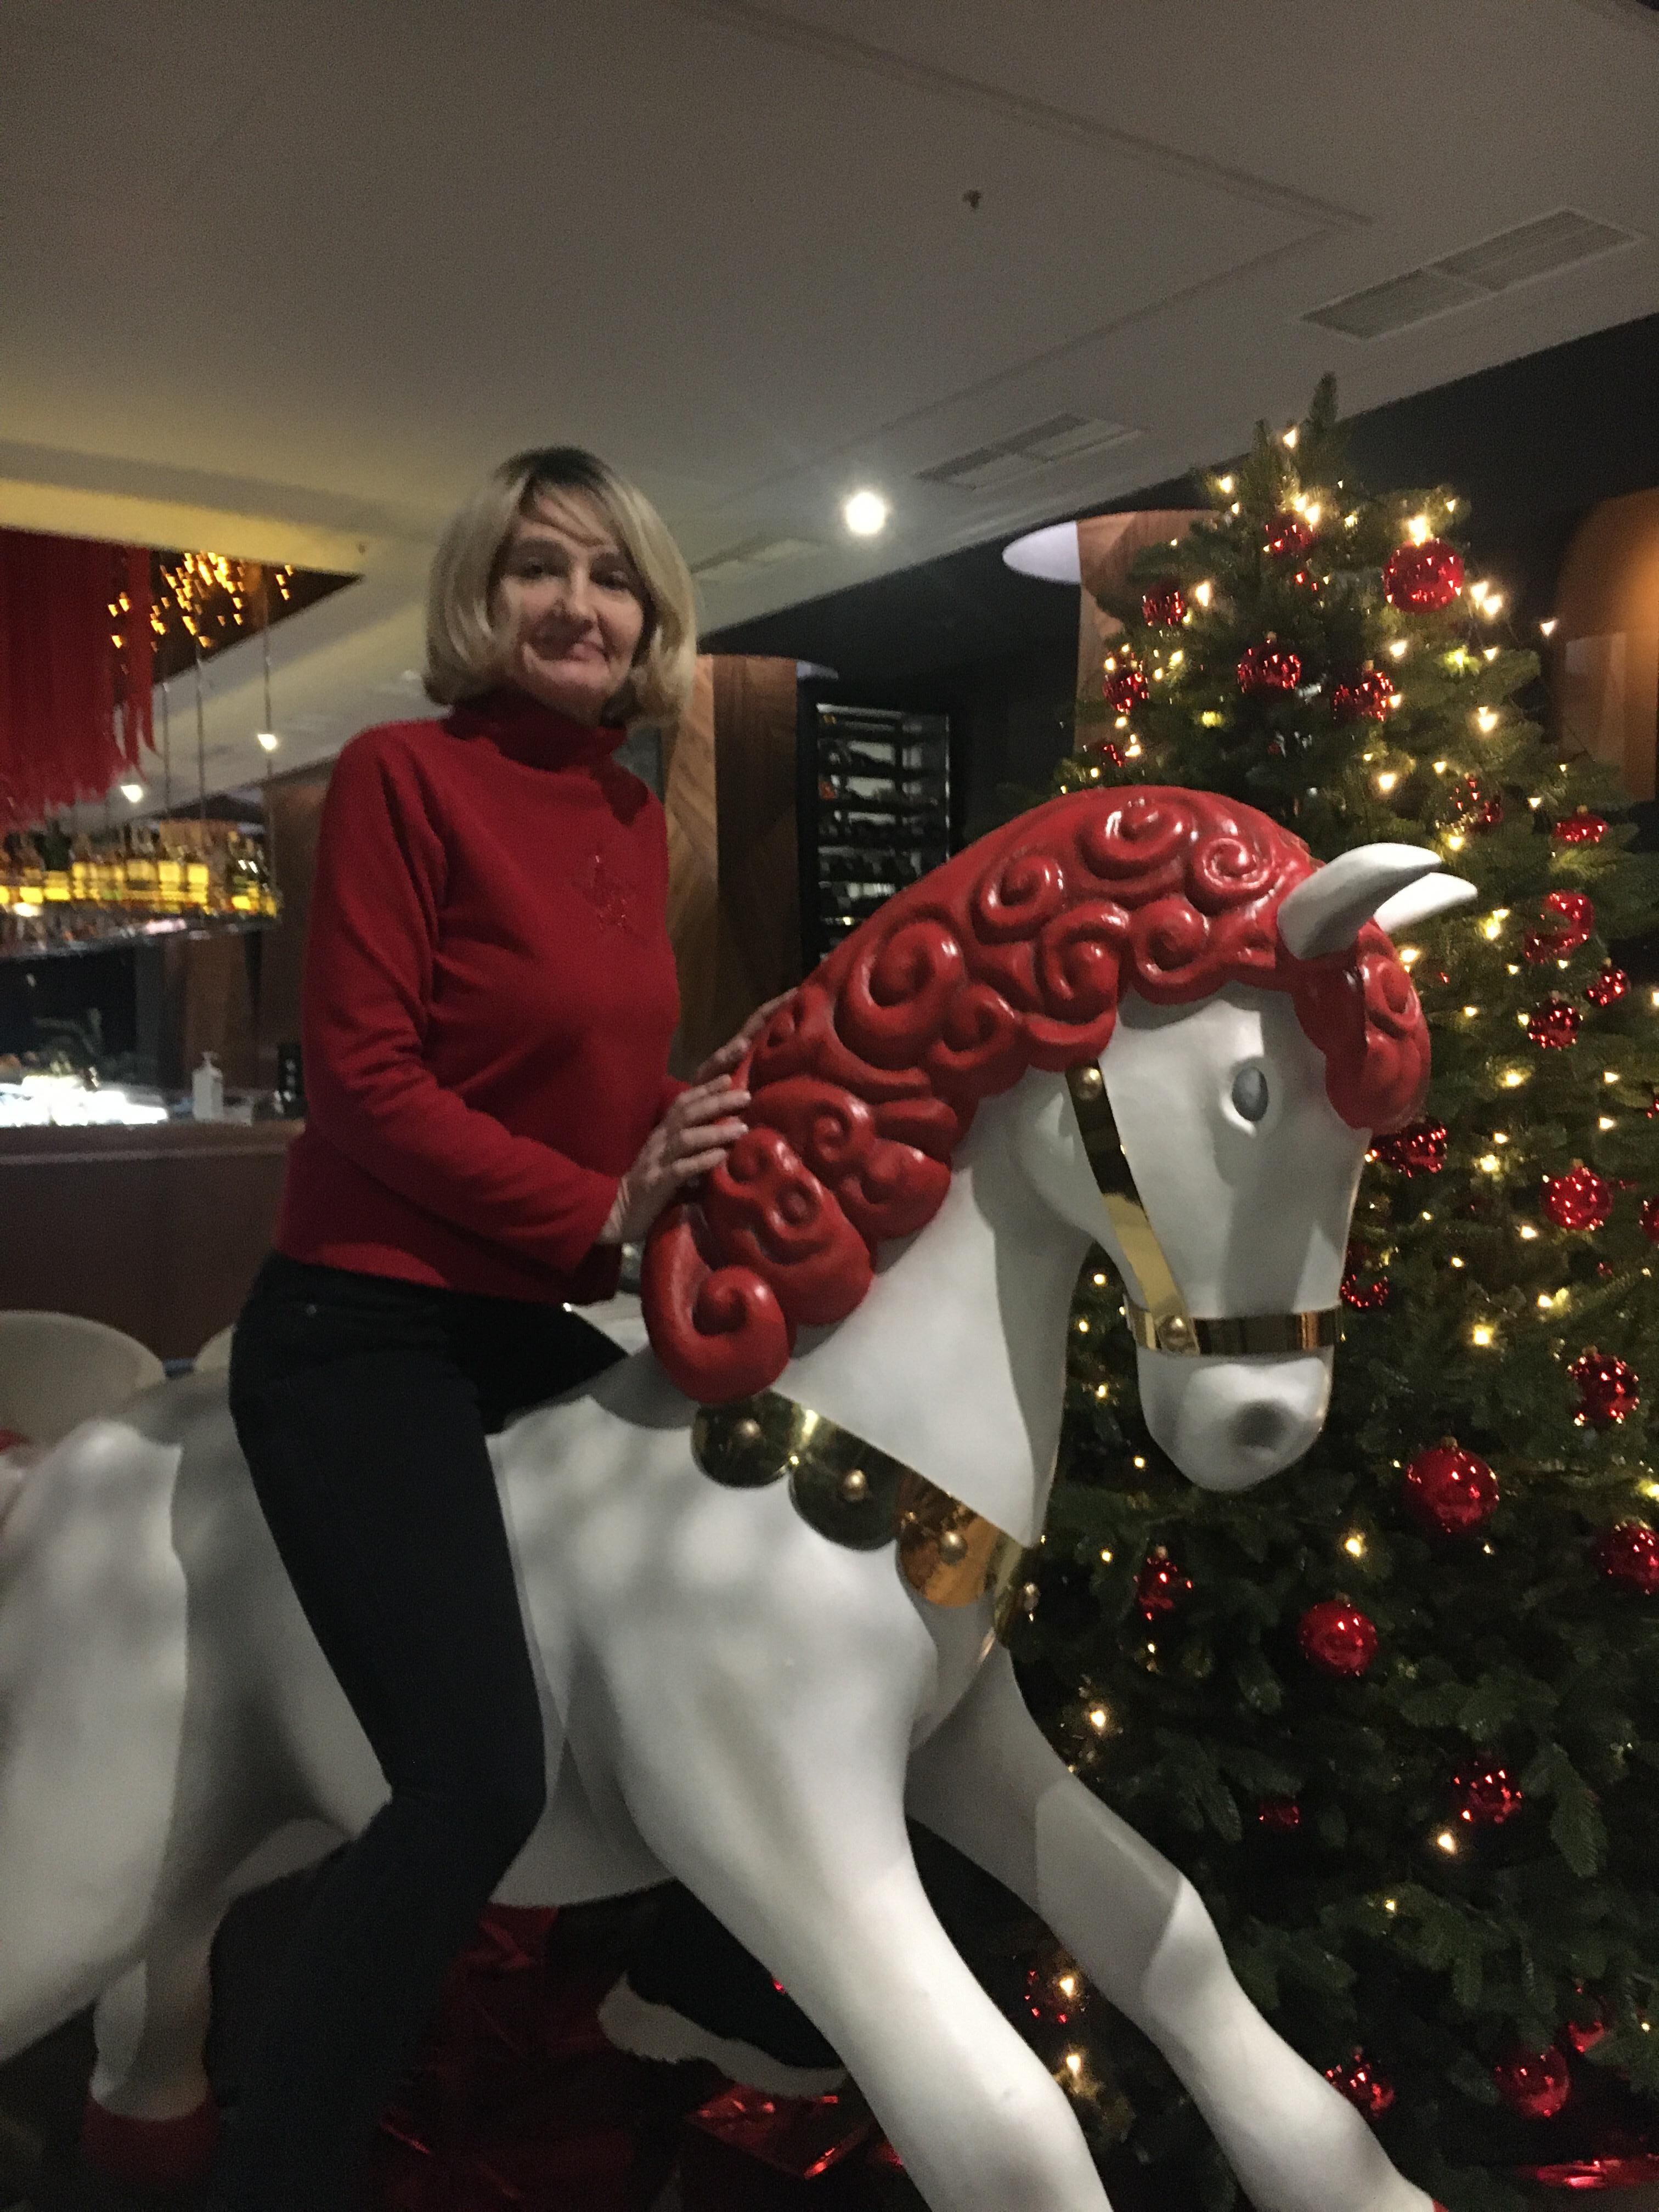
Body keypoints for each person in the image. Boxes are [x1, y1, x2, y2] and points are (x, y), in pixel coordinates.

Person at [212, 447, 782, 2210]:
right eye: (541, 566)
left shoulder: (632, 815)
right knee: (469, 1784)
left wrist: (704, 1111)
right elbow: (368, 1087)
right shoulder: (402, 775)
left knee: (766, 1540)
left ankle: (683, 1987)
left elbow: (588, 1084)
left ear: (651, 616)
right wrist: (606, 1211)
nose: (577, 605)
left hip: (513, 1314)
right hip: (364, 1323)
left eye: (612, 576)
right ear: (484, 592)